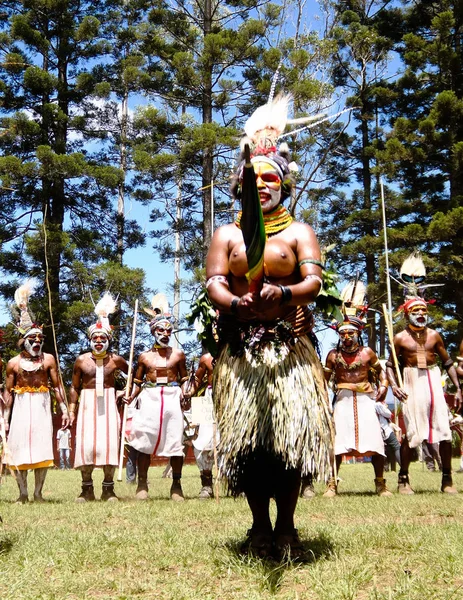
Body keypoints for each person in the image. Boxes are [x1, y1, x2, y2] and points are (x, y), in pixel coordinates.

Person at [206, 95, 333, 559]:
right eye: (252, 179)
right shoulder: (228, 235)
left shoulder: (299, 232)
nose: (261, 186)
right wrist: (236, 301)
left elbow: (314, 281)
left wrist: (286, 294)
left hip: (288, 353)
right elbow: (214, 283)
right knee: (250, 447)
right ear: (240, 184)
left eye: (271, 179)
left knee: (288, 444)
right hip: (243, 355)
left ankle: (287, 527)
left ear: (284, 185)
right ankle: (259, 526)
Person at [387, 297, 462, 494]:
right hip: (411, 380)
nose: (421, 314)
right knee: (412, 432)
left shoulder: (435, 336)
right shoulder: (400, 338)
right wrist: (394, 386)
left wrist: (458, 388)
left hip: (433, 379)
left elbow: (447, 363)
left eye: (424, 310)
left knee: (444, 429)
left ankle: (447, 479)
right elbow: (389, 366)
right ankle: (403, 479)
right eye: (416, 310)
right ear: (407, 314)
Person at [3, 281, 69, 503]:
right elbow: (9, 392)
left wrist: (65, 410)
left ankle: (38, 493)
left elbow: (58, 385)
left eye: (40, 339)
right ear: (24, 342)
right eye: (33, 339)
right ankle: (22, 493)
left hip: (42, 404)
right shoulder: (13, 363)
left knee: (42, 448)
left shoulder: (48, 359)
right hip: (21, 407)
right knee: (19, 447)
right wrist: (4, 419)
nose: (37, 342)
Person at [125, 294, 190, 502]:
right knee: (145, 440)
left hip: (172, 397)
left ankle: (176, 486)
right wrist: (130, 396)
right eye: (160, 330)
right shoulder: (144, 356)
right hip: (150, 397)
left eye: (168, 330)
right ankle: (142, 484)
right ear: (153, 331)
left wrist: (186, 393)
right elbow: (137, 381)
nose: (165, 333)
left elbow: (184, 378)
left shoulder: (178, 355)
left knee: (175, 440)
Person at [324, 314, 393, 497]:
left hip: (366, 401)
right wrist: (322, 397)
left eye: (350, 333)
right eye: (343, 334)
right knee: (338, 443)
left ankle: (380, 484)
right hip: (343, 401)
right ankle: (332, 485)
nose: (346, 338)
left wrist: (384, 386)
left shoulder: (367, 353)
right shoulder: (332, 356)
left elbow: (382, 374)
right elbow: (324, 381)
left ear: (357, 333)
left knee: (375, 441)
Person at [69, 293, 128, 502]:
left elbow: (135, 378)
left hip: (109, 404)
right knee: (86, 445)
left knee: (109, 444)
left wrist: (125, 391)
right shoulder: (81, 361)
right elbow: (74, 387)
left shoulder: (117, 360)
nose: (99, 341)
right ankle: (86, 489)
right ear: (90, 339)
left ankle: (108, 489)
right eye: (95, 338)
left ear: (108, 340)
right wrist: (71, 410)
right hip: (86, 404)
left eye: (103, 338)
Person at [187, 352, 218, 500]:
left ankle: (240, 485)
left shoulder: (239, 352)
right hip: (210, 401)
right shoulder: (206, 358)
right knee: (205, 442)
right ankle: (206, 485)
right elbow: (197, 379)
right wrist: (189, 393)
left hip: (234, 397)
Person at [375, 400, 401, 471]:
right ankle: (403, 469)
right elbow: (389, 414)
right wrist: (384, 406)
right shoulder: (377, 404)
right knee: (397, 447)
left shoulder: (367, 404)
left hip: (375, 432)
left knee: (379, 451)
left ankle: (381, 471)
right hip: (384, 430)